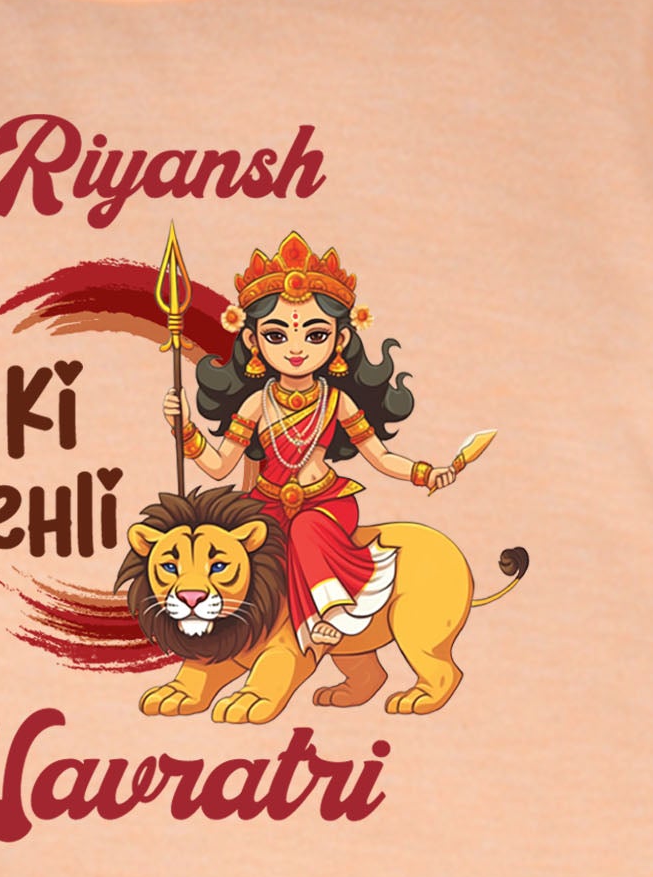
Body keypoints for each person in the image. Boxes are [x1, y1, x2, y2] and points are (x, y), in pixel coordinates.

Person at [165, 232, 465, 650]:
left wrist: (425, 473)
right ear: (252, 340)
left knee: (305, 529)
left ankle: (331, 612)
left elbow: (380, 457)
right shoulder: (256, 403)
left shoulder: (336, 401)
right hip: (266, 506)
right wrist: (184, 429)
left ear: (340, 340)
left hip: (325, 504)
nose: (296, 349)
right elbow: (219, 467)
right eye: (276, 335)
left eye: (315, 335)